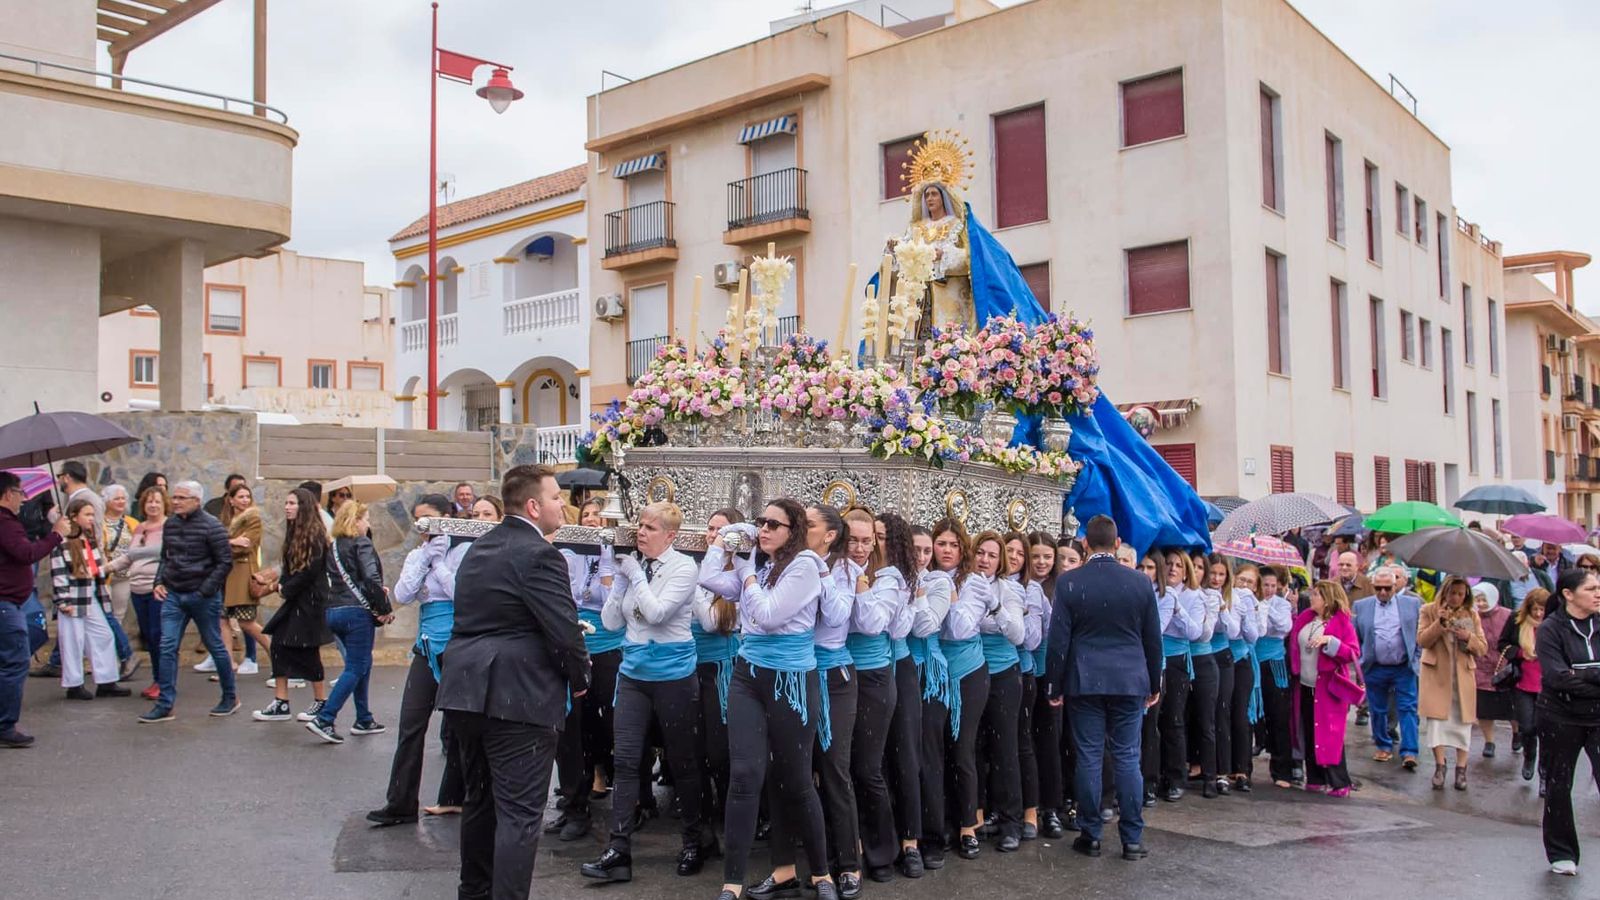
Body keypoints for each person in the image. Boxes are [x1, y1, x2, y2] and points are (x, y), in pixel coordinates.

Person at [437, 464, 591, 900]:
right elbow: (563, 631)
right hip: (517, 695)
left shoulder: (478, 549)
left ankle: (475, 893)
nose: (564, 505)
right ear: (533, 505)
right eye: (557, 497)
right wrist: (580, 678)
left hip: (466, 690)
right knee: (520, 815)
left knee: (480, 803)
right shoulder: (540, 554)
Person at [697, 498, 839, 900]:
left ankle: (822, 873)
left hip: (792, 681)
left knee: (796, 780)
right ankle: (732, 882)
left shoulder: (805, 565)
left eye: (774, 524)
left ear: (792, 531)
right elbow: (709, 580)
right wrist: (722, 544)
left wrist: (745, 575)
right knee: (744, 776)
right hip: (748, 677)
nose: (764, 529)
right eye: (761, 522)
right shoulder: (760, 565)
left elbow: (770, 615)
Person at [580, 501, 713, 884]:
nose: (641, 532)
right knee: (624, 761)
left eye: (651, 528)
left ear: (670, 536)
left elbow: (657, 614)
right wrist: (619, 580)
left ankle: (694, 840)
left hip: (673, 674)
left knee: (683, 760)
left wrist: (635, 574)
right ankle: (618, 849)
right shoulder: (633, 569)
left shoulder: (684, 568)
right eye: (640, 525)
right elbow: (609, 621)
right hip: (634, 673)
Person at [1043, 515, 1163, 861]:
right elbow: (1152, 640)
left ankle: (1091, 833)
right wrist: (1154, 681)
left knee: (1090, 757)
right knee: (1127, 757)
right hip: (1130, 679)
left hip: (1085, 679)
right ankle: (1132, 838)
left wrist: (1054, 683)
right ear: (1117, 543)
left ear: (1084, 545)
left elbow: (1058, 641)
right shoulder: (1140, 582)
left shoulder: (1070, 583)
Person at [369, 494, 470, 827]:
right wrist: (426, 556)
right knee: (411, 723)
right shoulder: (418, 553)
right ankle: (400, 801)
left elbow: (461, 594)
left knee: (459, 727)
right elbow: (402, 594)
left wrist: (440, 564)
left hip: (457, 645)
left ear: (446, 518)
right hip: (426, 645)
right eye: (417, 520)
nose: (421, 525)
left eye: (428, 519)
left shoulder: (464, 551)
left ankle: (456, 795)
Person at [547, 497, 623, 842]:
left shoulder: (616, 556)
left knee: (604, 726)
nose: (592, 520)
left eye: (599, 516)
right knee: (569, 730)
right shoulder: (567, 554)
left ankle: (618, 793)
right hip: (574, 647)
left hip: (607, 647)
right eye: (587, 515)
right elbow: (569, 596)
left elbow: (609, 604)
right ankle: (573, 804)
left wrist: (606, 556)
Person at [139, 481, 236, 723]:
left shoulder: (213, 527)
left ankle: (230, 697)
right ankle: (165, 704)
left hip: (203, 597)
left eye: (182, 498)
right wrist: (158, 582)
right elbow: (165, 557)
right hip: (174, 594)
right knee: (167, 647)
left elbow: (225, 562)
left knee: (215, 646)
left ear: (196, 500)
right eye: (175, 497)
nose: (176, 501)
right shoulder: (170, 524)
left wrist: (204, 591)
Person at [307, 500, 393, 743]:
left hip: (334, 611)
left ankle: (364, 718)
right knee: (356, 667)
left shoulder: (333, 546)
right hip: (357, 613)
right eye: (366, 519)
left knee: (360, 664)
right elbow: (370, 577)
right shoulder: (361, 542)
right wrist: (383, 608)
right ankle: (325, 718)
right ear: (355, 521)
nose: (369, 523)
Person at [1535, 567, 1600, 876]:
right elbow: (1557, 677)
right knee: (1559, 785)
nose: (1598, 593)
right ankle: (1562, 853)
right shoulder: (1550, 628)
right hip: (1560, 716)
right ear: (1568, 594)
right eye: (1591, 589)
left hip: (1598, 714)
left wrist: (1582, 673)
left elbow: (1572, 674)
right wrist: (1592, 676)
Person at [252, 489, 333, 722]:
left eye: (292, 503)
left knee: (308, 649)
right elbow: (289, 568)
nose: (287, 507)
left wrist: (283, 588)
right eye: (286, 502)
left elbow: (310, 571)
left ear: (303, 506)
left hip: (311, 601)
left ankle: (321, 702)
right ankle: (281, 702)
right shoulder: (293, 533)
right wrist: (280, 584)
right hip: (296, 599)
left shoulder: (316, 534)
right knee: (278, 643)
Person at [0, 470, 68, 745]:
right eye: (20, 493)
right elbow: (26, 553)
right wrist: (55, 535)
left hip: (10, 602)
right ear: (7, 494)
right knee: (15, 663)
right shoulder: (6, 523)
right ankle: (5, 725)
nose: (23, 499)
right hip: (6, 605)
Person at [970, 531, 1026, 852]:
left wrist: (995, 607)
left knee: (1005, 747)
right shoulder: (963, 583)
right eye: (981, 552)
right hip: (971, 672)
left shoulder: (1009, 589)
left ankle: (1011, 822)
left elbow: (1017, 634)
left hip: (1003, 672)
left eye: (992, 555)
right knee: (973, 747)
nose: (985, 560)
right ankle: (977, 815)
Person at [49, 498, 131, 701]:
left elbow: (95, 570)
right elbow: (58, 573)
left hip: (90, 597)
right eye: (87, 514)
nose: (91, 518)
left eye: (92, 514)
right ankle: (74, 684)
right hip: (73, 599)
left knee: (104, 635)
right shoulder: (62, 543)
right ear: (74, 517)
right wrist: (63, 601)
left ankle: (106, 680)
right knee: (72, 642)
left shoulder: (89, 539)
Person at [909, 525, 955, 872]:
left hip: (928, 674)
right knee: (900, 756)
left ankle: (933, 837)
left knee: (928, 755)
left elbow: (925, 625)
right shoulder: (888, 577)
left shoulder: (940, 582)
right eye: (917, 549)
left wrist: (917, 591)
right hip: (897, 667)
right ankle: (905, 835)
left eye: (927, 550)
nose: (923, 556)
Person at [1288, 581, 1362, 797]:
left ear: (1328, 598)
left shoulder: (1342, 623)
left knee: (1330, 734)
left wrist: (1331, 641)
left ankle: (1339, 782)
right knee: (1309, 731)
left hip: (1328, 687)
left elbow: (1353, 653)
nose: (1312, 597)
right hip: (1304, 685)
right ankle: (1315, 777)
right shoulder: (1306, 619)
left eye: (1317, 594)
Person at [1418, 576, 1487, 790]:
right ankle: (1440, 766)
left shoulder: (1472, 615)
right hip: (1437, 673)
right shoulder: (1429, 610)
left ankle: (1461, 769)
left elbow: (1482, 648)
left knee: (1462, 724)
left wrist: (1468, 637)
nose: (1456, 597)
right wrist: (1440, 623)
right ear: (1444, 592)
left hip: (1462, 676)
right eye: (1452, 593)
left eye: (1460, 594)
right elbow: (1422, 640)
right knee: (1437, 724)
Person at [1352, 568, 1422, 770]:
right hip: (1375, 666)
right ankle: (1383, 744)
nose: (1383, 592)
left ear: (1396, 586)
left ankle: (1410, 751)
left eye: (1387, 588)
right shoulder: (1362, 606)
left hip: (1403, 666)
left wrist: (1416, 657)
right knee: (1378, 709)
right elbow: (1355, 636)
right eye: (1378, 588)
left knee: (1408, 708)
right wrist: (1361, 660)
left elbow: (1420, 632)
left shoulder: (1412, 604)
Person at [1155, 550, 1203, 801]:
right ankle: (1155, 773)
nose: (1172, 569)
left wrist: (1177, 610)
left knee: (1173, 718)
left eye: (1178, 565)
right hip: (1156, 657)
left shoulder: (1193, 596)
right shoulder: (1155, 591)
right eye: (1168, 564)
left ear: (1186, 571)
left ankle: (1175, 777)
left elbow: (1195, 632)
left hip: (1177, 661)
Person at [117, 486, 167, 701]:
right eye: (149, 501)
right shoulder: (139, 529)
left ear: (165, 504)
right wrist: (103, 568)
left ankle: (163, 682)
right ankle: (157, 679)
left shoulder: (170, 527)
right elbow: (129, 557)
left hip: (158, 590)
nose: (153, 505)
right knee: (149, 636)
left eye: (157, 501)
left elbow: (170, 556)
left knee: (159, 636)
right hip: (136, 590)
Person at [213, 484, 265, 676]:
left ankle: (279, 657)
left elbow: (245, 546)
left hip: (243, 574)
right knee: (222, 619)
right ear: (231, 499)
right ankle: (227, 665)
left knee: (246, 622)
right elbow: (215, 542)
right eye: (241, 497)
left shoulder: (253, 519)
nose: (245, 500)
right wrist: (230, 541)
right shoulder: (225, 520)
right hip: (225, 575)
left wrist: (224, 544)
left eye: (247, 496)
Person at [1254, 566, 1296, 787]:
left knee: (1279, 715)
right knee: (1253, 712)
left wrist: (1266, 606)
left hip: (1274, 662)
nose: (1269, 589)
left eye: (1272, 585)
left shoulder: (1282, 604)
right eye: (1265, 585)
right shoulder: (1249, 599)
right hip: (1253, 659)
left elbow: (1284, 626)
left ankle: (1282, 770)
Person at [1500, 587, 1546, 789]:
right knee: (1527, 726)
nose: (1538, 614)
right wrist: (1520, 653)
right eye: (1534, 609)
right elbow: (1502, 644)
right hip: (1522, 683)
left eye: (1542, 609)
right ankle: (1529, 755)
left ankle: (1545, 773)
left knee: (1547, 731)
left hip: (1548, 686)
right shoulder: (1516, 620)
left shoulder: (1554, 625)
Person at [100, 484, 140, 678]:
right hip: (105, 576)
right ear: (107, 501)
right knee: (106, 617)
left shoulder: (132, 523)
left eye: (123, 498)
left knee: (118, 617)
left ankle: (117, 658)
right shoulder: (99, 522)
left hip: (125, 576)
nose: (121, 502)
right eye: (117, 498)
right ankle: (111, 657)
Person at [1473, 581, 1515, 758]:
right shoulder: (1471, 617)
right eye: (1477, 600)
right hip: (1480, 668)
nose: (1481, 603)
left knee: (1512, 707)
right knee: (1484, 708)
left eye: (1484, 599)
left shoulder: (1509, 615)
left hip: (1504, 667)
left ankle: (1517, 733)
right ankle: (1489, 741)